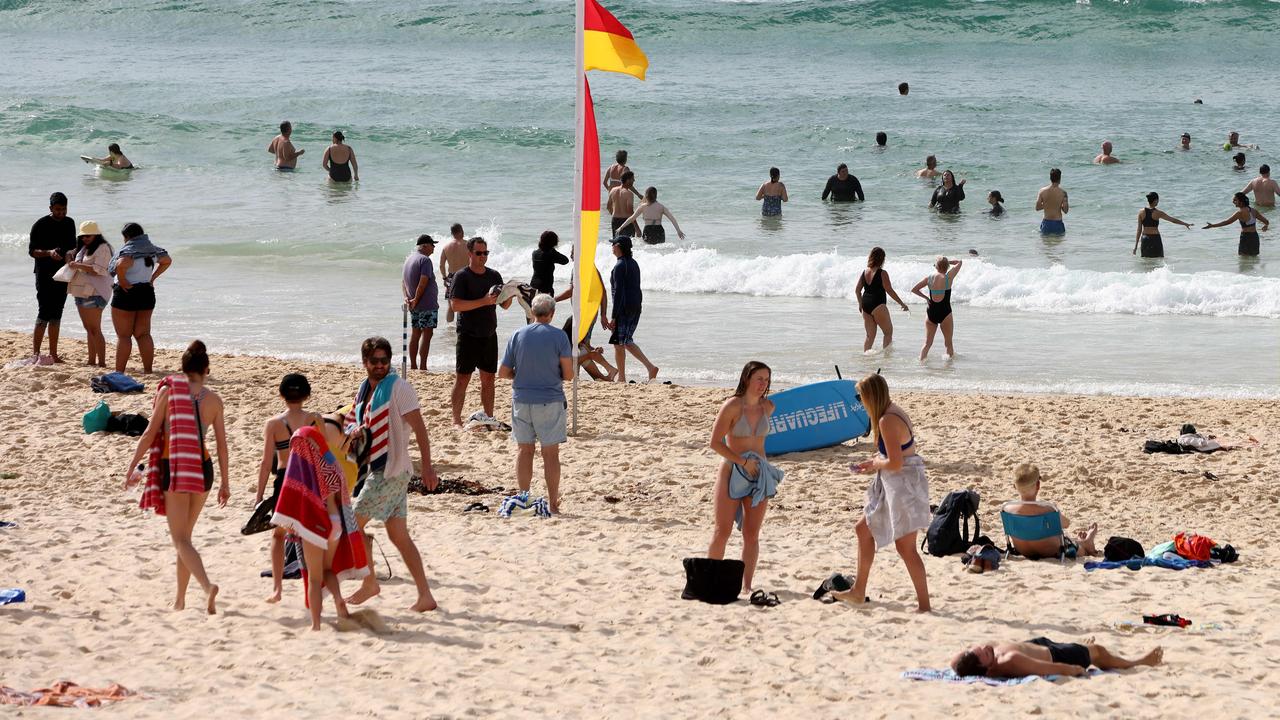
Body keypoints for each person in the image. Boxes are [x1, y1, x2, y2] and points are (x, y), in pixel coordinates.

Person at [123, 341, 230, 614]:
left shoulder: (170, 392)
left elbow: (148, 434)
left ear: (182, 369)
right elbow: (221, 445)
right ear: (206, 369)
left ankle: (207, 587)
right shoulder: (214, 400)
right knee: (186, 539)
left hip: (176, 468)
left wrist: (134, 465)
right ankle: (180, 600)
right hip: (204, 469)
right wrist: (226, 483)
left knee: (180, 540)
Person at [345, 337, 440, 612]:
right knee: (399, 536)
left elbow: (420, 429)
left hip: (390, 471)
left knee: (352, 525)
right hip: (384, 470)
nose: (380, 366)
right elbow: (352, 421)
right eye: (374, 361)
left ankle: (369, 583)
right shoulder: (364, 391)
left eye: (384, 361)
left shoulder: (400, 388)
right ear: (365, 362)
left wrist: (429, 467)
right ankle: (425, 596)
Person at [832, 373, 931, 613]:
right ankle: (858, 590)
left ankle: (925, 606)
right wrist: (874, 461)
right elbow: (897, 455)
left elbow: (896, 463)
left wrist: (877, 464)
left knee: (906, 548)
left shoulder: (887, 419)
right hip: (898, 483)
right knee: (862, 529)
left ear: (870, 396)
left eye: (860, 397)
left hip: (904, 486)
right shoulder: (891, 411)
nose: (859, 402)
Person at [706, 361, 777, 592]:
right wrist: (743, 462)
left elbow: (761, 443)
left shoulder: (768, 407)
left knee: (752, 534)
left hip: (759, 476)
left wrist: (758, 465)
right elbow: (715, 443)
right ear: (747, 378)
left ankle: (746, 587)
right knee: (722, 530)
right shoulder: (732, 406)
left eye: (766, 380)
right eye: (759, 379)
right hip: (732, 472)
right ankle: (712, 581)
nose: (763, 384)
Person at [498, 294, 572, 513]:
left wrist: (519, 377)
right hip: (549, 400)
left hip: (522, 399)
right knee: (550, 454)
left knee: (524, 450)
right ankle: (552, 504)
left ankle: (524, 499)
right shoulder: (559, 337)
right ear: (552, 314)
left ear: (532, 312)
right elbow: (568, 374)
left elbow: (503, 372)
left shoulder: (518, 335)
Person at [254, 374, 320, 603]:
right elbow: (323, 455)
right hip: (308, 478)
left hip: (284, 479)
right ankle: (310, 589)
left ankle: (277, 589)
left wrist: (259, 495)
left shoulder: (273, 424)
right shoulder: (314, 420)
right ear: (307, 395)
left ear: (281, 395)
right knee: (308, 536)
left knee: (278, 534)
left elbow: (265, 463)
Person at [449, 237, 513, 427]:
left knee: (488, 379)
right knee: (462, 378)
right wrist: (483, 301)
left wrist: (512, 293)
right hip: (468, 334)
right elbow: (455, 305)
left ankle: (488, 417)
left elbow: (504, 305)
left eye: (486, 253)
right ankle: (455, 420)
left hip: (489, 334)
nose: (483, 256)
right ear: (470, 254)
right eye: (479, 253)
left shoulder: (494, 275)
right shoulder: (462, 276)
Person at [109, 223, 171, 373]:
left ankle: (119, 372)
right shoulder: (152, 250)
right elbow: (167, 260)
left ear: (127, 237)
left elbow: (122, 263)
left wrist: (122, 279)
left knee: (124, 336)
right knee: (143, 334)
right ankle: (148, 370)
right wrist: (152, 278)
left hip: (126, 292)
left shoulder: (128, 250)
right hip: (146, 291)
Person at [1007, 463, 1099, 558]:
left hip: (1024, 551)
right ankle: (1087, 543)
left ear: (1014, 486)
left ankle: (1082, 541)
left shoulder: (1008, 509)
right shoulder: (1048, 509)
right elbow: (1066, 524)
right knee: (1076, 547)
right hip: (1052, 552)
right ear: (1038, 485)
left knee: (1057, 538)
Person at [951, 639, 1163, 679]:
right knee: (1098, 651)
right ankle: (1138, 662)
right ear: (988, 668)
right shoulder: (1010, 660)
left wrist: (973, 655)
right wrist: (1073, 670)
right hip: (1055, 654)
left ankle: (1081, 645)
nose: (985, 648)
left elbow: (955, 663)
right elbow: (1048, 668)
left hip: (1037, 644)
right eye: (985, 653)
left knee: (1086, 647)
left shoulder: (981, 663)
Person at [28, 192, 76, 362]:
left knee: (57, 313)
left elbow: (73, 247)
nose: (61, 213)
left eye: (64, 210)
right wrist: (49, 253)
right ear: (51, 208)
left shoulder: (70, 223)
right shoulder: (40, 225)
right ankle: (36, 354)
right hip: (44, 274)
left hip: (63, 274)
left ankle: (54, 354)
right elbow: (32, 251)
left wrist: (71, 255)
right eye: (58, 210)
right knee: (44, 312)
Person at [602, 235, 658, 382]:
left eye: (613, 244)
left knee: (618, 343)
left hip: (624, 309)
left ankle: (621, 378)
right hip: (635, 307)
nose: (612, 247)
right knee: (626, 340)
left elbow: (619, 292)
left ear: (619, 247)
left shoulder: (620, 266)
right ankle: (650, 368)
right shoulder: (633, 263)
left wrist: (614, 316)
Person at [65, 221, 113, 367]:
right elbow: (70, 256)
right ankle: (92, 361)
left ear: (96, 235)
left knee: (94, 328)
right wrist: (70, 259)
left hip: (96, 292)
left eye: (88, 236)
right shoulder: (85, 248)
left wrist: (77, 265)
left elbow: (98, 270)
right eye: (83, 236)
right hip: (82, 291)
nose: (85, 238)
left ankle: (102, 362)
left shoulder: (103, 248)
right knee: (89, 328)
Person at [855, 247, 909, 352]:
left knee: (869, 336)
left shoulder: (864, 272)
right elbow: (889, 290)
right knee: (888, 333)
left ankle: (866, 358)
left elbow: (857, 291)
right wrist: (902, 303)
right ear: (882, 259)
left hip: (866, 305)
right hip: (878, 304)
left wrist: (860, 304)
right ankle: (886, 360)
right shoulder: (882, 273)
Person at [911, 257, 962, 361]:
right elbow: (959, 262)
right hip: (945, 313)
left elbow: (914, 289)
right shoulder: (948, 277)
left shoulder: (929, 278)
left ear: (936, 266)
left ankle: (921, 364)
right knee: (948, 343)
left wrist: (926, 298)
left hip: (931, 312)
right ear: (947, 266)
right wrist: (948, 262)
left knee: (927, 343)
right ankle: (948, 368)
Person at [402, 235, 439, 371]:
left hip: (414, 304)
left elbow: (403, 282)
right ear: (424, 246)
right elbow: (423, 282)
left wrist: (407, 298)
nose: (434, 247)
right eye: (432, 244)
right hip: (426, 304)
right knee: (427, 334)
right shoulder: (425, 260)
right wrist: (416, 299)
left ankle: (413, 365)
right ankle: (423, 366)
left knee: (416, 333)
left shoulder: (409, 259)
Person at [1203, 192, 1268, 256]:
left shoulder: (1240, 213)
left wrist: (1212, 225)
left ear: (1241, 202)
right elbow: (1266, 221)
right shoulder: (1254, 210)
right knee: (1253, 259)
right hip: (1254, 237)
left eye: (1235, 200)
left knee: (1244, 262)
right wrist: (1265, 226)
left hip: (1245, 237)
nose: (1233, 202)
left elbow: (1227, 222)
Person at [619, 186, 686, 245]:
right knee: (660, 249)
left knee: (648, 249)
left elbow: (632, 218)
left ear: (646, 195)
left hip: (648, 230)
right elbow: (672, 219)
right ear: (656, 195)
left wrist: (621, 227)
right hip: (659, 230)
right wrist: (678, 231)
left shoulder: (642, 207)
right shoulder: (661, 207)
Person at [1133, 192, 1192, 258]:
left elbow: (1139, 230)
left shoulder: (1141, 212)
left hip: (1145, 239)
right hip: (1155, 239)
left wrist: (1135, 246)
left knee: (1146, 261)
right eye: (1158, 200)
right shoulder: (1158, 213)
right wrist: (1185, 224)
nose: (1158, 202)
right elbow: (1173, 220)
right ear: (1155, 200)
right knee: (1158, 260)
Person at [438, 223, 469, 326]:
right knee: (464, 304)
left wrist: (444, 278)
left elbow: (441, 265)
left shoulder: (446, 247)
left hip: (451, 277)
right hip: (466, 275)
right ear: (462, 231)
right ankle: (462, 326)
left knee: (451, 306)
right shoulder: (468, 245)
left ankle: (449, 330)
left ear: (452, 233)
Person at [531, 230, 569, 296]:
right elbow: (565, 260)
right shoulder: (551, 254)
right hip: (545, 289)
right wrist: (553, 250)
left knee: (534, 306)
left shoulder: (535, 253)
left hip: (533, 286)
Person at [1036, 168, 1069, 234]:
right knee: (1059, 243)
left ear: (1050, 178)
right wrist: (1058, 205)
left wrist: (1047, 204)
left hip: (1046, 223)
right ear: (1060, 179)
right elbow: (1065, 210)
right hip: (1058, 223)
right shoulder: (1063, 193)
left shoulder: (1042, 191)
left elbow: (1037, 208)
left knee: (1046, 243)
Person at [607, 171, 638, 236]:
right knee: (627, 244)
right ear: (627, 180)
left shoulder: (613, 190)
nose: (634, 180)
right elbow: (630, 212)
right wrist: (636, 227)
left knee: (616, 243)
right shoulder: (629, 193)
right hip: (626, 222)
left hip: (615, 220)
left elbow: (608, 207)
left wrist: (614, 215)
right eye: (632, 179)